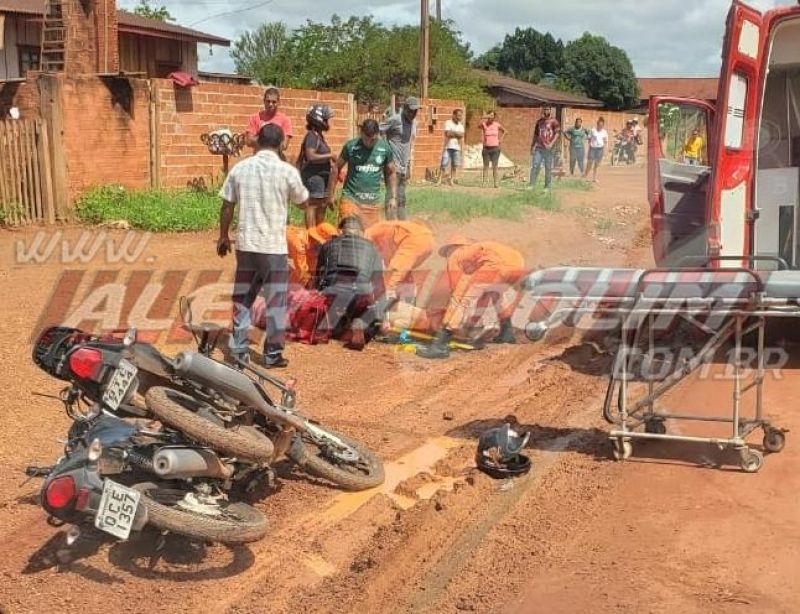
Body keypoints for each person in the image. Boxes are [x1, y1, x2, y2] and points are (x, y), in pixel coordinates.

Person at [217, 123, 309, 368]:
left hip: (246, 245)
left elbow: (227, 205)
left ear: (257, 140)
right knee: (276, 300)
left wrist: (223, 236)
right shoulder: (286, 171)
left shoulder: (240, 169)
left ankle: (238, 352)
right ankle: (272, 355)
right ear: (280, 144)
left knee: (243, 298)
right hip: (273, 248)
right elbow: (302, 202)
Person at [417, 236, 526, 359]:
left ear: (453, 247)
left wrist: (446, 315)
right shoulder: (478, 254)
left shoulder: (456, 255)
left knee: (459, 299)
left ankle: (440, 345)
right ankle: (507, 333)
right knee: (494, 293)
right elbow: (482, 299)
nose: (447, 256)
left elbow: (456, 289)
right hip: (518, 263)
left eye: (447, 253)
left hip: (496, 265)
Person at [315, 215, 389, 350]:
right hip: (360, 294)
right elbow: (379, 286)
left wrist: (315, 302)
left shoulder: (327, 245)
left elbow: (318, 277)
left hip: (333, 292)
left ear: (341, 231)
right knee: (372, 322)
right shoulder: (372, 249)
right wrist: (384, 318)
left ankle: (329, 326)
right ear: (361, 233)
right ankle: (361, 324)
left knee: (329, 325)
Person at [330, 119, 398, 229]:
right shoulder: (350, 146)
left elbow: (391, 172)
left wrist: (393, 197)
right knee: (349, 232)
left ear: (378, 135)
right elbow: (336, 168)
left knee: (370, 237)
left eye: (373, 140)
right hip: (351, 199)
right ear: (361, 133)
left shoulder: (385, 148)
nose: (369, 143)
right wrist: (331, 194)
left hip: (372, 203)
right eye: (366, 139)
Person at [365, 220, 436, 304]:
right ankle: (407, 300)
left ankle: (388, 300)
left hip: (417, 239)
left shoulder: (372, 232)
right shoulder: (384, 242)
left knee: (394, 274)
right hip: (427, 241)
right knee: (403, 273)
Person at [380, 97, 419, 220]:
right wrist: (385, 150)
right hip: (393, 166)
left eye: (416, 111)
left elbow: (408, 145)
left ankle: (402, 224)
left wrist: (408, 166)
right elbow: (378, 130)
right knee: (392, 196)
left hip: (403, 166)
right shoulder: (395, 120)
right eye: (411, 111)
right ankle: (390, 225)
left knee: (402, 198)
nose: (414, 114)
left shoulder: (414, 123)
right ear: (405, 109)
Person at [296, 104, 335, 228]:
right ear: (319, 120)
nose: (328, 122)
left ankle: (318, 233)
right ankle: (311, 235)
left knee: (321, 205)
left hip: (321, 179)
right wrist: (330, 155)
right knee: (312, 205)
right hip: (313, 178)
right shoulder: (312, 136)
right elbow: (311, 156)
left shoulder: (318, 136)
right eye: (326, 119)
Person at [286, 222, 339, 288]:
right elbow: (301, 269)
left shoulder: (314, 245)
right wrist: (311, 286)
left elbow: (312, 267)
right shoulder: (299, 245)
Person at [246, 86, 293, 157]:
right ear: (264, 101)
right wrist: (273, 140)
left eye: (274, 102)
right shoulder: (255, 118)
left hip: (277, 160)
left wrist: (260, 140)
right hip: (259, 160)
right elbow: (249, 141)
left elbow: (284, 145)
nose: (270, 104)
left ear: (279, 102)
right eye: (268, 101)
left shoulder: (285, 120)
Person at [529, 107, 561, 190]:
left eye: (547, 109)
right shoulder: (539, 122)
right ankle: (531, 184)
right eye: (545, 109)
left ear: (550, 110)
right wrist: (532, 146)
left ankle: (547, 186)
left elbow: (557, 134)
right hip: (539, 148)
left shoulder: (554, 121)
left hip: (549, 149)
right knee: (535, 165)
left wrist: (551, 144)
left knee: (548, 167)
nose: (546, 111)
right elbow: (535, 135)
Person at [438, 108, 465, 186]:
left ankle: (451, 180)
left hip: (457, 147)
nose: (460, 117)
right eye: (458, 116)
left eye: (461, 116)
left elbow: (461, 135)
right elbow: (448, 134)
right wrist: (457, 134)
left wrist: (453, 133)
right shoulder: (448, 122)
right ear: (454, 115)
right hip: (448, 146)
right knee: (443, 164)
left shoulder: (461, 125)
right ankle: (439, 180)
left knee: (454, 165)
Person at [480, 110, 506, 188]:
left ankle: (496, 183)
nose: (491, 117)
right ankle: (484, 183)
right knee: (486, 166)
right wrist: (484, 117)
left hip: (495, 148)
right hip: (486, 148)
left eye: (492, 116)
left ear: (494, 117)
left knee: (495, 166)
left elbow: (505, 131)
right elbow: (478, 125)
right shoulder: (484, 124)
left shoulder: (497, 125)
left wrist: (501, 139)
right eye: (489, 115)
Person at [584, 117, 609, 183]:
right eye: (599, 125)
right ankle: (585, 176)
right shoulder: (593, 130)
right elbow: (589, 139)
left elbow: (605, 141)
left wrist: (605, 150)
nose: (600, 126)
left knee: (597, 164)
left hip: (600, 149)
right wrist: (587, 148)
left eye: (602, 125)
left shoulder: (604, 132)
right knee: (590, 163)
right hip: (593, 148)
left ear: (603, 125)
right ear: (597, 124)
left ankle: (594, 178)